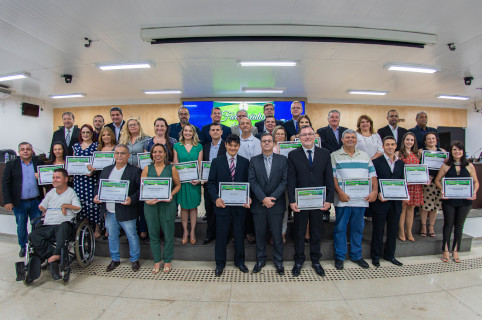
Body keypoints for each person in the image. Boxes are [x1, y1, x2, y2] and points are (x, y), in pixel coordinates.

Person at [287, 125, 334, 277]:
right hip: (301, 201)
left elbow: (329, 178)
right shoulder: (293, 155)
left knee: (316, 231)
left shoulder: (325, 153)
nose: (307, 137)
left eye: (309, 134)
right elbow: (291, 179)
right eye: (304, 135)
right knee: (300, 232)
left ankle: (316, 260)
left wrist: (329, 199)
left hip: (318, 201)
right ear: (299, 138)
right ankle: (299, 260)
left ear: (315, 137)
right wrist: (292, 200)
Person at [331, 129, 378, 270]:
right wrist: (339, 192)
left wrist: (375, 191)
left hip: (360, 199)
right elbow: (332, 177)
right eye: (347, 137)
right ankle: (340, 256)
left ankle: (356, 255)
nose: (350, 139)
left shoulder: (364, 156)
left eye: (353, 137)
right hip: (343, 200)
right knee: (340, 228)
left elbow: (373, 176)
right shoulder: (334, 156)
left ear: (356, 140)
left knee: (358, 228)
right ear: (342, 140)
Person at [93, 144, 142, 272]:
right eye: (117, 153)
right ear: (114, 155)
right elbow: (98, 187)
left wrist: (132, 198)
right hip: (109, 211)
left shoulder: (135, 171)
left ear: (128, 155)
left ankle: (134, 259)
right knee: (112, 236)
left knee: (132, 236)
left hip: (126, 210)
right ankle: (115, 259)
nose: (119, 155)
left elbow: (140, 190)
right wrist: (96, 196)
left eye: (123, 153)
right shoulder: (106, 169)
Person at [207, 134, 251, 276]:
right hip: (222, 205)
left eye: (235, 145)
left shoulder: (245, 162)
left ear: (239, 146)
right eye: (230, 145)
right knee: (221, 235)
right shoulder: (216, 162)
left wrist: (248, 197)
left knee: (239, 235)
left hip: (239, 206)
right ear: (225, 145)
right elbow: (211, 183)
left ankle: (240, 262)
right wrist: (216, 199)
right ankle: (220, 264)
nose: (233, 148)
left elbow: (249, 183)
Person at [28, 168, 81, 277]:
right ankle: (53, 255)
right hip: (48, 224)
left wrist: (65, 205)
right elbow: (41, 206)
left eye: (58, 177)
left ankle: (56, 254)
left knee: (63, 227)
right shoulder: (50, 193)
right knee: (33, 235)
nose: (54, 180)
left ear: (66, 179)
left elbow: (77, 207)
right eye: (53, 178)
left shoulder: (71, 192)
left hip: (64, 225)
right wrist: (44, 208)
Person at [249, 133, 288, 275]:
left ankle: (278, 261)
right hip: (259, 205)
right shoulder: (253, 161)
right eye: (264, 141)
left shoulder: (283, 160)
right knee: (259, 235)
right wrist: (263, 198)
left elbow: (284, 181)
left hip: (276, 205)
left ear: (273, 143)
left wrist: (271, 198)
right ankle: (260, 260)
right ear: (260, 144)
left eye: (269, 141)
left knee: (277, 236)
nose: (266, 143)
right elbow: (252, 181)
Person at [435, 141, 479, 263]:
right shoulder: (446, 165)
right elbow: (437, 180)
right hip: (449, 200)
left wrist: (474, 192)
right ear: (451, 151)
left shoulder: (469, 165)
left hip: (465, 201)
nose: (457, 152)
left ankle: (455, 250)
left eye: (459, 150)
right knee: (448, 225)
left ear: (463, 151)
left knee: (459, 226)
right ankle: (445, 250)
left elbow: (476, 182)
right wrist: (442, 190)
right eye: (454, 150)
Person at [141, 144, 181, 274]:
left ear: (165, 154)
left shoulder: (172, 168)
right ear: (151, 154)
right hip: (150, 205)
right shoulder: (147, 169)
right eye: (154, 152)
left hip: (167, 204)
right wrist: (146, 200)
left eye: (160, 152)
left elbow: (178, 185)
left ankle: (167, 260)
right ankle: (157, 261)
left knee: (169, 234)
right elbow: (142, 188)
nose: (157, 154)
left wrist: (171, 194)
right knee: (153, 234)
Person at [2, 142, 44, 257]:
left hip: (36, 201)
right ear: (19, 152)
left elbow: (47, 179)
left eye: (28, 149)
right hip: (19, 202)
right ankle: (23, 247)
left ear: (32, 151)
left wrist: (41, 176)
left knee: (37, 225)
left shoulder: (38, 162)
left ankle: (36, 246)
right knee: (21, 226)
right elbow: (5, 184)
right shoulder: (11, 164)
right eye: (23, 149)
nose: (25, 151)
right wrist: (7, 201)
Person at [370, 136, 405, 267]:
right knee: (378, 230)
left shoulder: (401, 164)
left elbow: (402, 181)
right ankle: (376, 256)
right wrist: (377, 192)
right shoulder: (376, 162)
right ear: (383, 147)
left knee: (393, 230)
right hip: (381, 202)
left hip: (396, 203)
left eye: (392, 144)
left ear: (396, 146)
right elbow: (373, 180)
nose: (390, 147)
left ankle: (390, 255)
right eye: (387, 145)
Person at [173, 123, 203, 245]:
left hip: (194, 182)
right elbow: (175, 164)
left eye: (190, 131)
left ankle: (193, 232)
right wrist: (177, 180)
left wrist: (199, 179)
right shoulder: (177, 146)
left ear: (194, 133)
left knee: (193, 208)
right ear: (182, 132)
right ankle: (185, 231)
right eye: (186, 131)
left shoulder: (199, 146)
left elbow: (200, 164)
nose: (188, 133)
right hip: (182, 182)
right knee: (184, 208)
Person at [72, 124, 101, 238]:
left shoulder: (96, 146)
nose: (85, 134)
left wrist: (93, 170)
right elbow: (73, 162)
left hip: (91, 179)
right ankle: (85, 228)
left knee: (93, 204)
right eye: (83, 132)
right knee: (81, 204)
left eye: (87, 132)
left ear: (92, 133)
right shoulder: (76, 146)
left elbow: (98, 162)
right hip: (79, 180)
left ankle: (97, 228)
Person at [237, 117, 262, 243]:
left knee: (252, 206)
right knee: (239, 206)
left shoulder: (257, 142)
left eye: (247, 123)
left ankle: (250, 232)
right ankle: (239, 232)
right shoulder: (236, 141)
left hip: (253, 178)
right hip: (238, 178)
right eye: (242, 123)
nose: (245, 125)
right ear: (239, 126)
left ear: (251, 126)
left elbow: (256, 160)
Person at [202, 123, 227, 245]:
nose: (215, 132)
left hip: (223, 184)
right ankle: (210, 234)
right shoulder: (205, 147)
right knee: (210, 210)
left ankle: (225, 235)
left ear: (222, 132)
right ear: (209, 132)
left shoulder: (226, 146)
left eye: (218, 130)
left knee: (223, 211)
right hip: (208, 183)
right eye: (213, 130)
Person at [396, 132, 423, 242]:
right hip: (404, 184)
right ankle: (401, 230)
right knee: (403, 208)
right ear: (403, 141)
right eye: (407, 139)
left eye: (412, 140)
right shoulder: (399, 153)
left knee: (411, 208)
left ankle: (409, 231)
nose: (409, 142)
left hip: (415, 185)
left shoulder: (417, 154)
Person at [418, 132, 446, 237]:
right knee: (425, 205)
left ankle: (431, 226)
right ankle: (424, 225)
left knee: (435, 205)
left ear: (436, 140)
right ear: (425, 141)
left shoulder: (442, 152)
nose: (431, 140)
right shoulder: (421, 152)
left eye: (433, 138)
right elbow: (418, 166)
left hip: (438, 181)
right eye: (428, 139)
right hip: (426, 181)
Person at [272, 125, 289, 243]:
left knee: (285, 209)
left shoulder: (290, 147)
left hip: (287, 184)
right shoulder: (269, 148)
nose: (280, 136)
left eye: (282, 134)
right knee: (272, 209)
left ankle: (283, 232)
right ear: (274, 135)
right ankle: (273, 233)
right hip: (273, 184)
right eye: (278, 134)